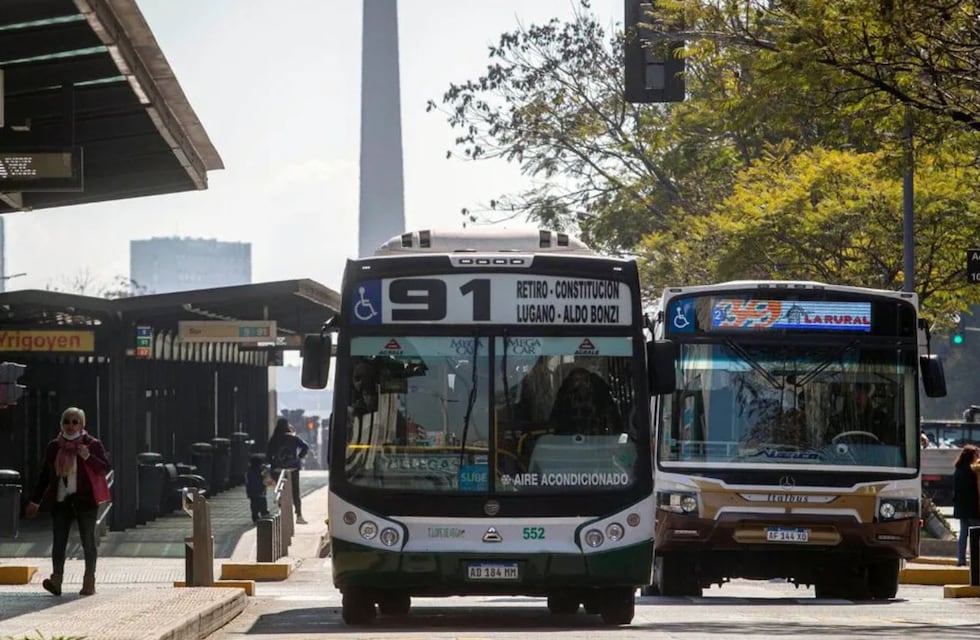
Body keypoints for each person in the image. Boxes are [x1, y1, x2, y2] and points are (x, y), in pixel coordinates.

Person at [24, 407, 112, 597]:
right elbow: (45, 476)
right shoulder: (54, 446)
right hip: (61, 500)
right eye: (67, 422)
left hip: (86, 501)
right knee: (59, 542)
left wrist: (87, 456)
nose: (71, 426)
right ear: (61, 424)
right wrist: (35, 501)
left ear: (82, 424)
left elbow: (104, 467)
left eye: (75, 422)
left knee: (88, 541)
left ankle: (89, 581)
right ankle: (56, 580)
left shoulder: (92, 444)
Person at [266, 418, 310, 524]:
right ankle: (299, 515)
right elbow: (305, 447)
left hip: (278, 470)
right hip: (293, 469)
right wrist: (299, 457)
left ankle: (283, 513)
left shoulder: (274, 439)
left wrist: (273, 464)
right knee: (295, 492)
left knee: (281, 491)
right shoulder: (293, 438)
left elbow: (268, 455)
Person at [952, 444, 980, 566]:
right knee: (977, 534)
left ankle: (961, 560)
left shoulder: (958, 470)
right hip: (972, 508)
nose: (978, 457)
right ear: (971, 456)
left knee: (963, 534)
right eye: (976, 455)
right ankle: (976, 560)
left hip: (961, 508)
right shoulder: (972, 471)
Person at [245, 454, 270, 523]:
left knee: (253, 504)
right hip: (260, 490)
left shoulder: (249, 471)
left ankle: (255, 516)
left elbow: (247, 482)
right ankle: (264, 515)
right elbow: (266, 478)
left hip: (251, 491)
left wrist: (248, 492)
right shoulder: (262, 470)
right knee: (262, 503)